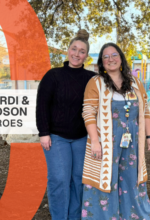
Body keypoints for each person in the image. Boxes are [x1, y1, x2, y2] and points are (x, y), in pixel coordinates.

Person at [81, 43, 150, 220]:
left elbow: (144, 110)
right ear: (102, 62)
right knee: (106, 177)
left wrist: (149, 135)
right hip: (106, 141)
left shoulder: (135, 82)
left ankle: (132, 215)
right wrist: (94, 141)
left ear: (121, 58)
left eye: (114, 55)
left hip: (132, 141)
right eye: (106, 57)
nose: (110, 59)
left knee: (131, 176)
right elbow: (88, 112)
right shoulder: (96, 83)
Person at [36, 29, 96, 220]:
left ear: (86, 55)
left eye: (82, 51)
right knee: (59, 180)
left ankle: (75, 217)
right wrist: (43, 132)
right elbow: (42, 105)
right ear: (68, 50)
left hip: (81, 138)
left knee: (78, 181)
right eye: (74, 49)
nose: (77, 54)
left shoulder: (91, 79)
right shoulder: (53, 76)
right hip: (56, 137)